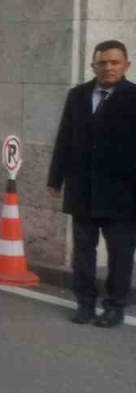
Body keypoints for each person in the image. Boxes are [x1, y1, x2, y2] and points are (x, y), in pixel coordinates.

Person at [48, 40, 136, 329]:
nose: (108, 67)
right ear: (93, 65)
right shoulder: (77, 96)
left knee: (120, 255)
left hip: (123, 194)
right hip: (82, 189)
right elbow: (64, 138)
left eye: (114, 62)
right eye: (102, 62)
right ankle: (85, 304)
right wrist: (55, 179)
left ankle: (114, 307)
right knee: (83, 253)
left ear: (126, 65)